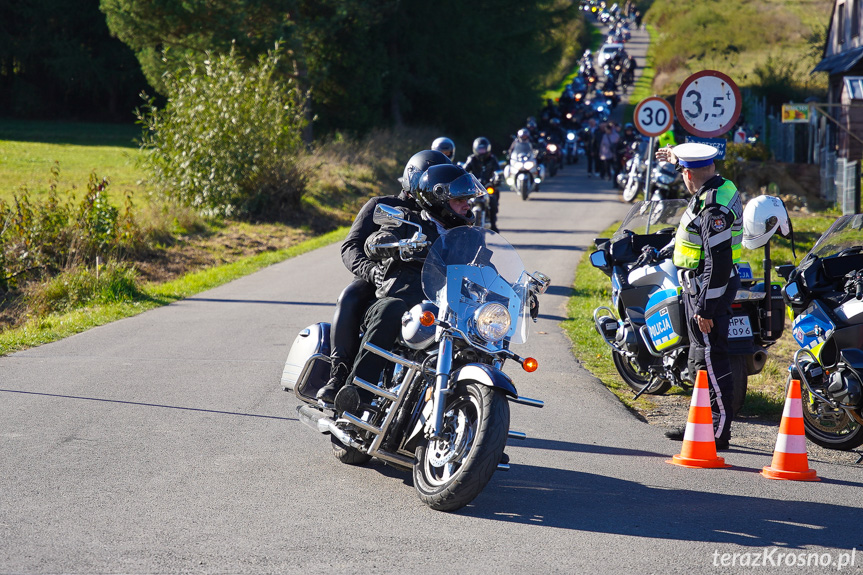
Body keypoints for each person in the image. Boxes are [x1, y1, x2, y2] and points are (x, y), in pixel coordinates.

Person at [333, 164, 486, 414]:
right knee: (384, 307)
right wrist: (377, 252)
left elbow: (486, 270)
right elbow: (367, 243)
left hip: (447, 309)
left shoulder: (469, 235)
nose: (468, 205)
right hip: (397, 297)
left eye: (468, 199)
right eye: (460, 200)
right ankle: (355, 393)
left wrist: (515, 290)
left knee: (483, 332)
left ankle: (476, 420)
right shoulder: (403, 217)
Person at [316, 150, 452, 404]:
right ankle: (339, 374)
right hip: (379, 277)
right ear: (416, 179)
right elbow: (351, 246)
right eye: (433, 181)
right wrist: (369, 271)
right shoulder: (382, 205)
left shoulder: (443, 217)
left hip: (425, 287)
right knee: (352, 294)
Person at [655, 142, 744, 451]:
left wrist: (705, 308)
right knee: (698, 358)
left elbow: (717, 262)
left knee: (711, 357)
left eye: (682, 171)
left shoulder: (713, 207)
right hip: (700, 285)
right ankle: (700, 421)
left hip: (708, 289)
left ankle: (719, 432)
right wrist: (673, 156)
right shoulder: (720, 185)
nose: (681, 177)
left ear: (689, 174)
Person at [463, 137, 501, 232]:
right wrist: (462, 177)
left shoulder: (492, 159)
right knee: (464, 202)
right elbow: (464, 170)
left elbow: (497, 171)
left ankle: (493, 225)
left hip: (488, 185)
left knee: (492, 200)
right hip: (473, 186)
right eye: (480, 149)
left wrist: (497, 178)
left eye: (483, 149)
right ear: (475, 149)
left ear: (488, 149)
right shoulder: (471, 159)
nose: (482, 152)